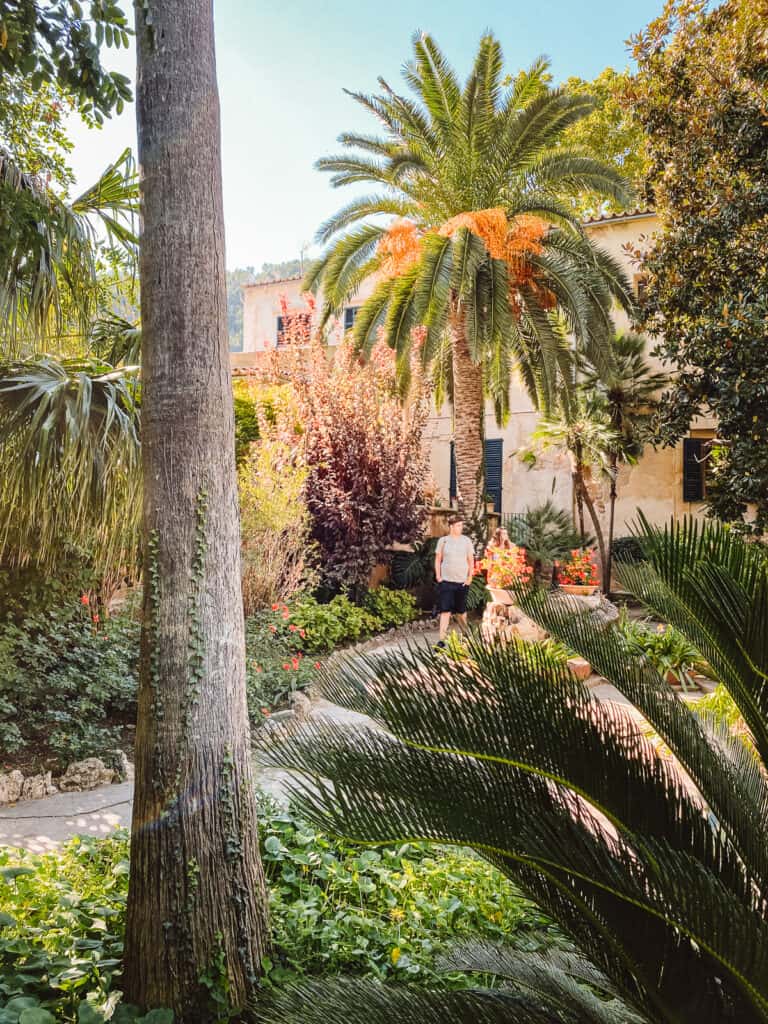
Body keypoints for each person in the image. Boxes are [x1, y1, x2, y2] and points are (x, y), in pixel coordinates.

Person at [434, 516, 475, 647]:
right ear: (451, 526)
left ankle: (466, 636)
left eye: (461, 525)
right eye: (458, 525)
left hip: (462, 582)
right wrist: (438, 576)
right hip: (446, 582)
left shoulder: (466, 541)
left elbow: (471, 560)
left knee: (461, 612)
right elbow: (438, 559)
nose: (461, 528)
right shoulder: (443, 541)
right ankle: (441, 640)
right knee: (445, 611)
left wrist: (469, 578)